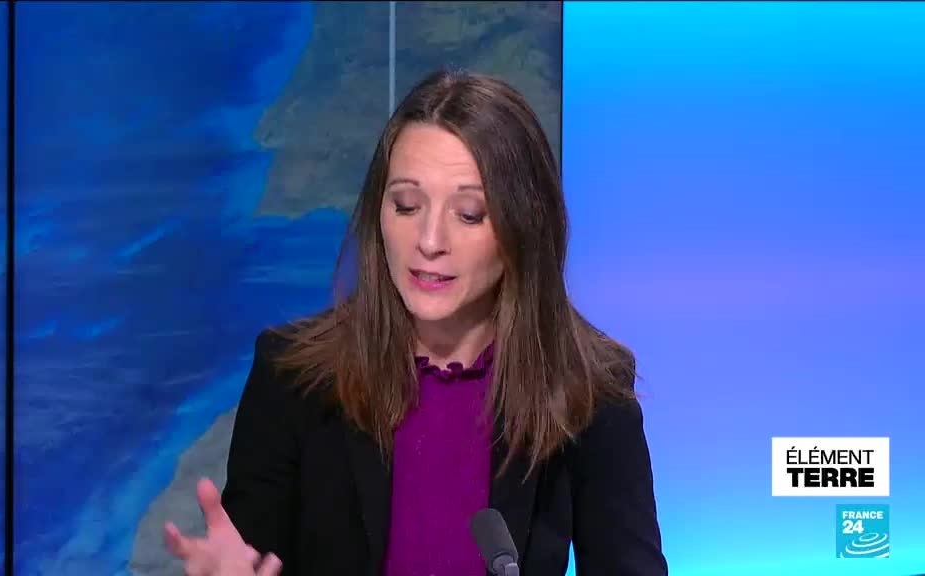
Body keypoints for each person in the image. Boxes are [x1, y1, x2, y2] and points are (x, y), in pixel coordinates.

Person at [164, 69, 669, 576]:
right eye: (406, 205)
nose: (429, 241)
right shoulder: (294, 378)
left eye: (468, 214)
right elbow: (249, 560)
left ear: (523, 226)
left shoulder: (587, 389)